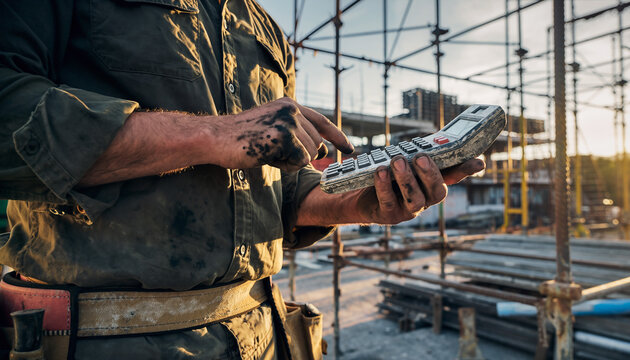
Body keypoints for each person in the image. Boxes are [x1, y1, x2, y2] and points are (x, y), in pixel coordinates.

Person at [0, 0, 485, 359]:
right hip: (107, 340)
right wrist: (212, 133)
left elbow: (272, 188)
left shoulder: (263, 29)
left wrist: (352, 203)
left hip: (260, 331)